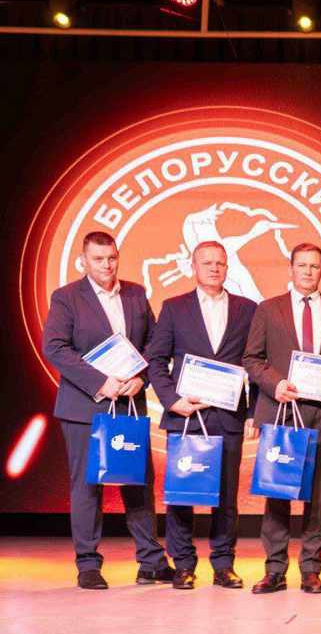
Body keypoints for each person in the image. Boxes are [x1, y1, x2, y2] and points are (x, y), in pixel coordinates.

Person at [42, 231, 172, 589]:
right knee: (88, 486)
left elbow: (154, 343)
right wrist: (102, 382)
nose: (107, 265)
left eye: (111, 258)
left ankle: (151, 562)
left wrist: (140, 377)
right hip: (85, 406)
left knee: (138, 482)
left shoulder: (136, 293)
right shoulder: (67, 297)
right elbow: (55, 347)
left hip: (129, 402)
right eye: (98, 259)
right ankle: (88, 565)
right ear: (84, 261)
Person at [146, 240, 258, 590]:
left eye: (219, 263)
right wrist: (171, 400)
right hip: (187, 416)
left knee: (226, 497)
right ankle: (183, 565)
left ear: (227, 268)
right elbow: (156, 360)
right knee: (182, 495)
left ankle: (224, 564)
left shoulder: (248, 309)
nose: (213, 268)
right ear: (193, 267)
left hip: (229, 417)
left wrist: (254, 412)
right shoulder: (174, 307)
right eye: (206, 262)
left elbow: (256, 363)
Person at [243, 243, 321, 595]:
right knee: (277, 493)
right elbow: (252, 359)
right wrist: (276, 384)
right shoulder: (268, 309)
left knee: (319, 496)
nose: (308, 271)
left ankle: (311, 569)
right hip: (282, 410)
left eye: (314, 266)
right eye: (302, 265)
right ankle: (274, 569)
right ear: (291, 269)